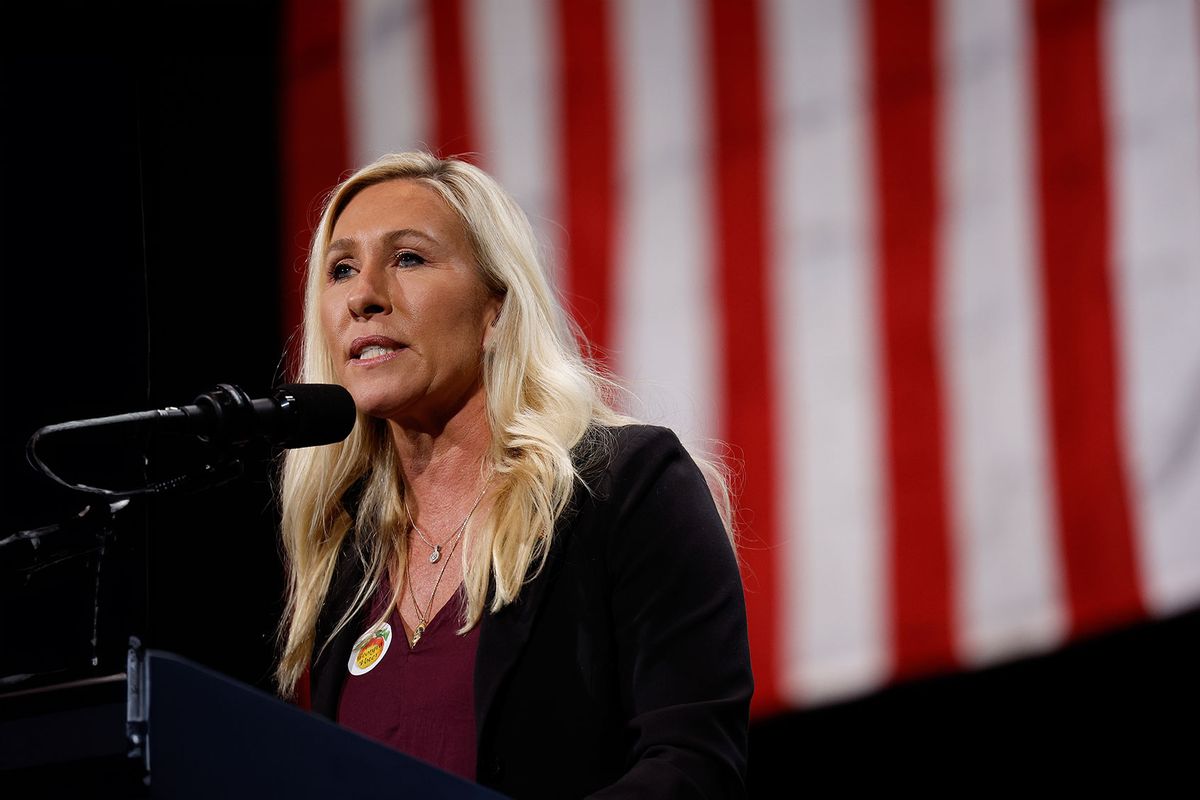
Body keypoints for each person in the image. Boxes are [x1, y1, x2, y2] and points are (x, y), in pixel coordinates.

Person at [275, 151, 753, 798]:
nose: (363, 296)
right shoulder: (344, 564)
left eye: (409, 258)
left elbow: (693, 765)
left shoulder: (624, 490)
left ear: (494, 308)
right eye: (340, 269)